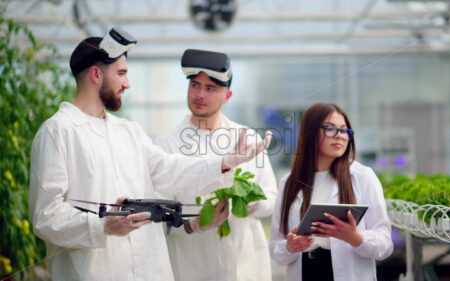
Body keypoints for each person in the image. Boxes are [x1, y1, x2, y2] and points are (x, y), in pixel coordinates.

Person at [28, 28, 270, 281]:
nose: (127, 83)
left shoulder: (128, 131)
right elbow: (46, 216)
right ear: (96, 74)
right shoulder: (58, 131)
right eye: (121, 73)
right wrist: (102, 226)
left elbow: (169, 170)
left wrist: (224, 163)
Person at [154, 49, 277, 281]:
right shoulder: (165, 144)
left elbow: (271, 197)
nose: (200, 94)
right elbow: (156, 216)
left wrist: (254, 205)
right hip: (193, 266)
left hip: (245, 265)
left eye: (210, 88)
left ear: (227, 96)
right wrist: (191, 225)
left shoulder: (248, 138)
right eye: (195, 85)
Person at [269, 103, 393, 281]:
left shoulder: (363, 177)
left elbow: (385, 244)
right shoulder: (289, 183)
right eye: (330, 129)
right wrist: (290, 246)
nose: (340, 136)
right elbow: (276, 248)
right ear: (310, 133)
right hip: (305, 272)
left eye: (344, 130)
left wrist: (355, 237)